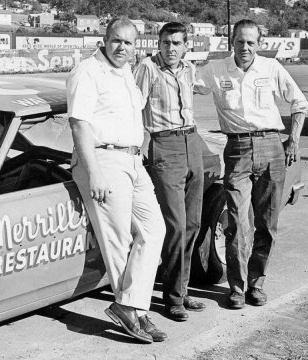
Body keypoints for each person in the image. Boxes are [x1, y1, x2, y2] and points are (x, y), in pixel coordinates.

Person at [67, 16, 167, 343]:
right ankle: (133, 311)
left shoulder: (125, 71)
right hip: (104, 158)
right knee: (118, 239)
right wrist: (93, 170)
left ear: (136, 46)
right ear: (105, 39)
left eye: (128, 42)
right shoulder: (88, 71)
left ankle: (132, 305)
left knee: (155, 229)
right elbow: (79, 124)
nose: (121, 47)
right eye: (116, 40)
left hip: (131, 160)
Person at [195, 19, 308, 309]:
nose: (244, 47)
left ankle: (256, 284)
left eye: (250, 42)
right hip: (237, 150)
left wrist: (293, 140)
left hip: (272, 147)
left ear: (259, 44)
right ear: (230, 41)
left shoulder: (271, 68)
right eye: (239, 41)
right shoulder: (216, 70)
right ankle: (236, 288)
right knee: (235, 222)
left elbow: (299, 103)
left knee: (266, 224)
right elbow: (185, 82)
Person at [133, 22, 206, 322]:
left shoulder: (189, 69)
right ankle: (172, 297)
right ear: (159, 44)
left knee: (193, 223)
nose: (171, 49)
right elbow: (134, 108)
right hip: (164, 144)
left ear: (186, 45)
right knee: (175, 225)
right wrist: (138, 147)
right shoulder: (148, 68)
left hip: (192, 141)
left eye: (177, 43)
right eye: (166, 43)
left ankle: (182, 288)